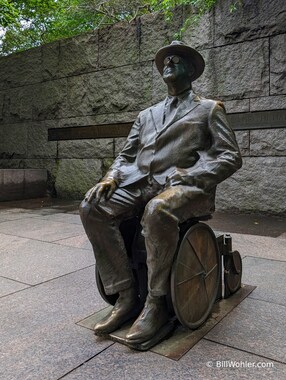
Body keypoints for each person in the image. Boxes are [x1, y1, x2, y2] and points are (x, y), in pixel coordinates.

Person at [80, 41, 242, 344]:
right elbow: (126, 156)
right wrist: (111, 177)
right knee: (92, 207)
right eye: (164, 61)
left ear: (191, 70)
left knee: (157, 210)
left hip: (183, 186)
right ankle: (126, 295)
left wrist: (193, 174)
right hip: (138, 182)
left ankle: (155, 304)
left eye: (176, 60)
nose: (168, 63)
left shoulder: (209, 109)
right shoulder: (146, 115)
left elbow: (230, 156)